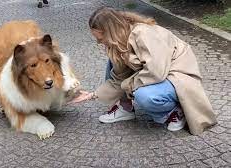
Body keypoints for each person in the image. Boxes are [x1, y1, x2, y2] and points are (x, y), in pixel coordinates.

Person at [69, 7, 217, 135]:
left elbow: (156, 72)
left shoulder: (144, 34)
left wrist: (129, 85)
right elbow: (117, 78)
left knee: (144, 95)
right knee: (113, 61)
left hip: (178, 75)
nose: (99, 42)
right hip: (159, 75)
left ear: (110, 31)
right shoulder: (119, 42)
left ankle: (175, 111)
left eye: (100, 37)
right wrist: (92, 95)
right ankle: (125, 108)